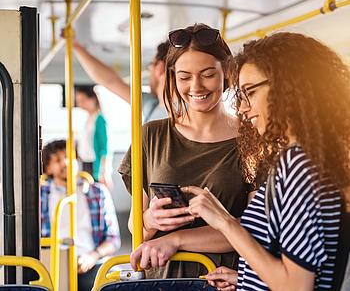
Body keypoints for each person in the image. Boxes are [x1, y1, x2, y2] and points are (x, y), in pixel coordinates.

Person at [183, 32, 350, 290]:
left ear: (288, 86)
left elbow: (295, 286)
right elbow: (303, 267)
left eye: (249, 92)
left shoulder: (298, 164)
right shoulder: (318, 157)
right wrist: (247, 278)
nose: (242, 107)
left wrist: (226, 223)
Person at [118, 23, 262, 279]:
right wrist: (150, 221)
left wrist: (175, 240)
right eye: (184, 77)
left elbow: (252, 229)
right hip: (162, 279)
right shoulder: (150, 135)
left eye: (207, 74)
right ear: (173, 76)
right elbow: (135, 225)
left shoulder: (253, 137)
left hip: (223, 279)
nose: (196, 87)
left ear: (226, 72)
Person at [41, 140, 121, 291]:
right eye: (58, 160)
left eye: (69, 157)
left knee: (113, 284)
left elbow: (113, 239)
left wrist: (92, 256)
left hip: (91, 262)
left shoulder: (98, 192)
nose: (65, 162)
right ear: (48, 168)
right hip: (52, 263)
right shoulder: (39, 196)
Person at [63, 29, 169, 122]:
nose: (149, 70)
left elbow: (110, 81)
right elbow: (110, 81)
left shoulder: (181, 112)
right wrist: (75, 46)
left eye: (151, 65)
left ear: (159, 68)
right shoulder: (152, 106)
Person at [75, 86, 112, 189]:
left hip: (94, 164)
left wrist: (104, 171)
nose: (79, 104)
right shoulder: (88, 119)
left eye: (82, 100)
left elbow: (104, 146)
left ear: (92, 100)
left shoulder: (99, 119)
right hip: (85, 162)